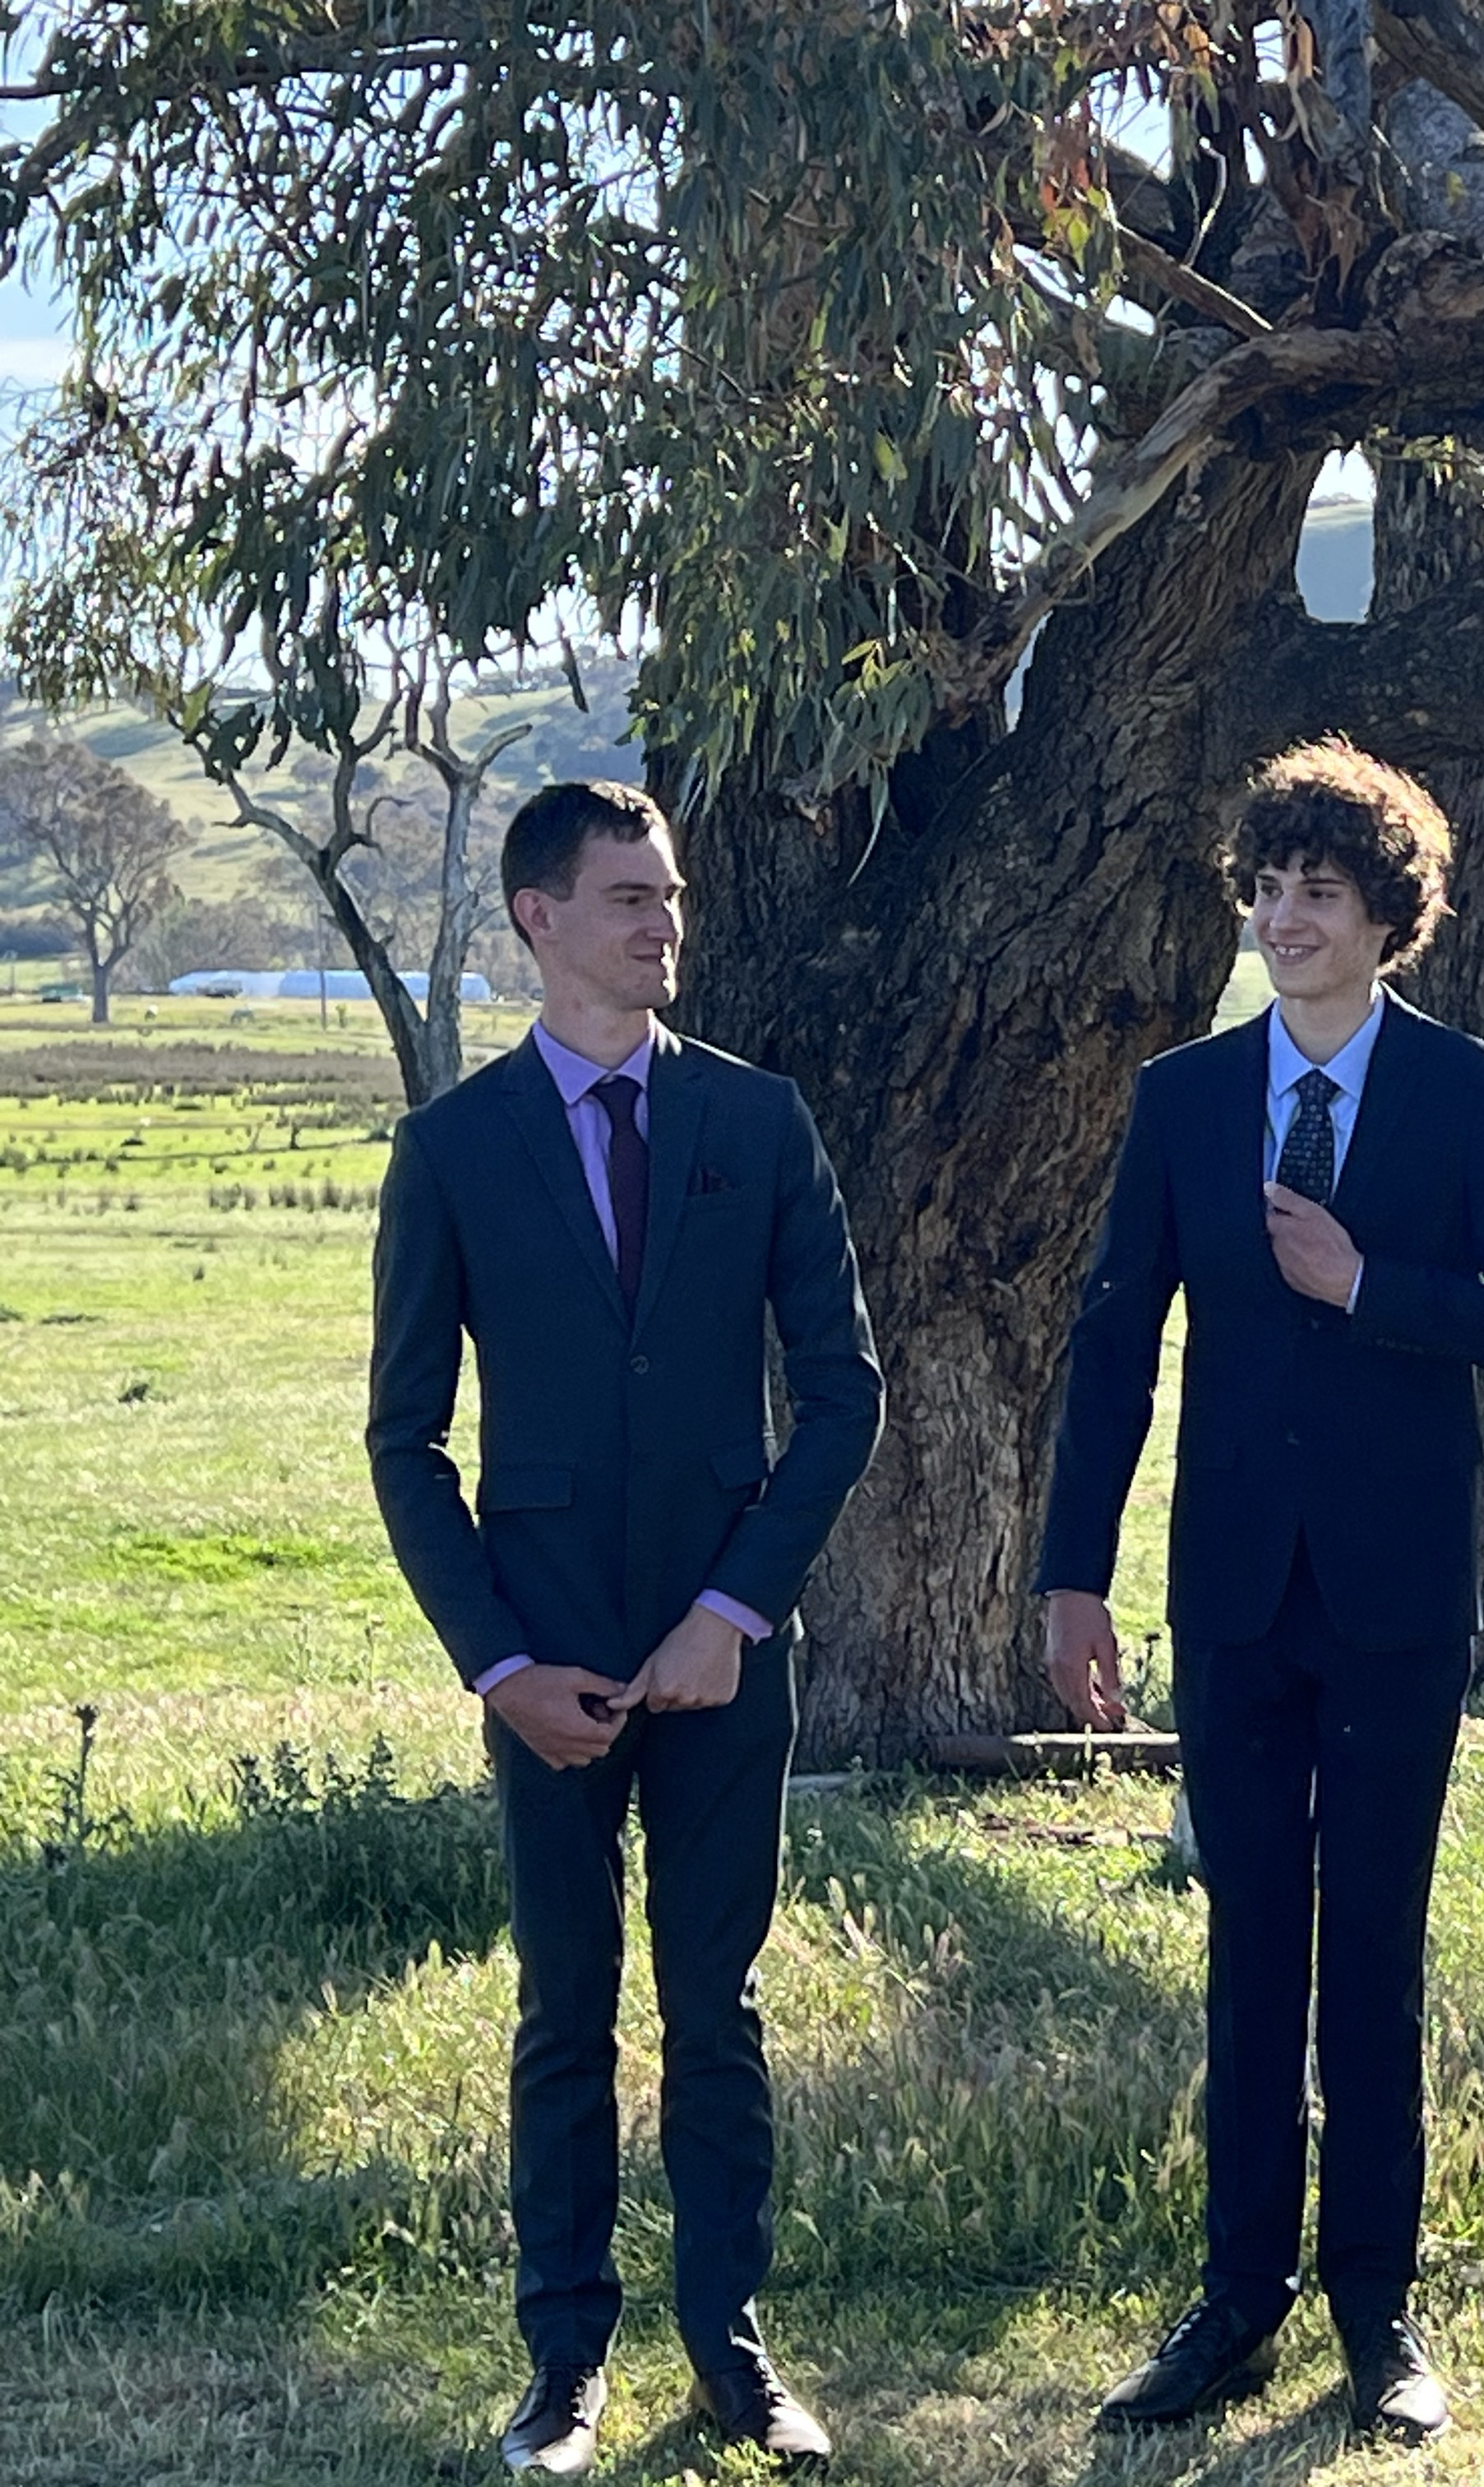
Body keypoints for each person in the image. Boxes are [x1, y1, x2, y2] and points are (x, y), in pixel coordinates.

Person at [1037, 739, 1484, 2443]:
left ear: (1389, 917)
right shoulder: (1185, 1099)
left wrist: (1371, 1286)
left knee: (1372, 1954)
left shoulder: (1473, 1091)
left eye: (1322, 892)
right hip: (1232, 1597)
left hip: (1396, 1600)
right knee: (1250, 1950)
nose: (1286, 919)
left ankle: (1378, 2307)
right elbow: (1114, 1350)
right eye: (1268, 887)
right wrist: (1073, 1577)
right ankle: (1234, 2300)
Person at [367, 780, 884, 2476]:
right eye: (627, 898)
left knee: (714, 2008)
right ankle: (563, 2361)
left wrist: (738, 1609)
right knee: (564, 2011)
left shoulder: (759, 1119)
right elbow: (405, 1442)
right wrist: (500, 1665)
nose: (664, 923)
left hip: (724, 1649)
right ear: (538, 919)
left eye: (669, 895)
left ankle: (732, 2348)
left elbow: (843, 1394)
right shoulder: (454, 1151)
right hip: (546, 1655)